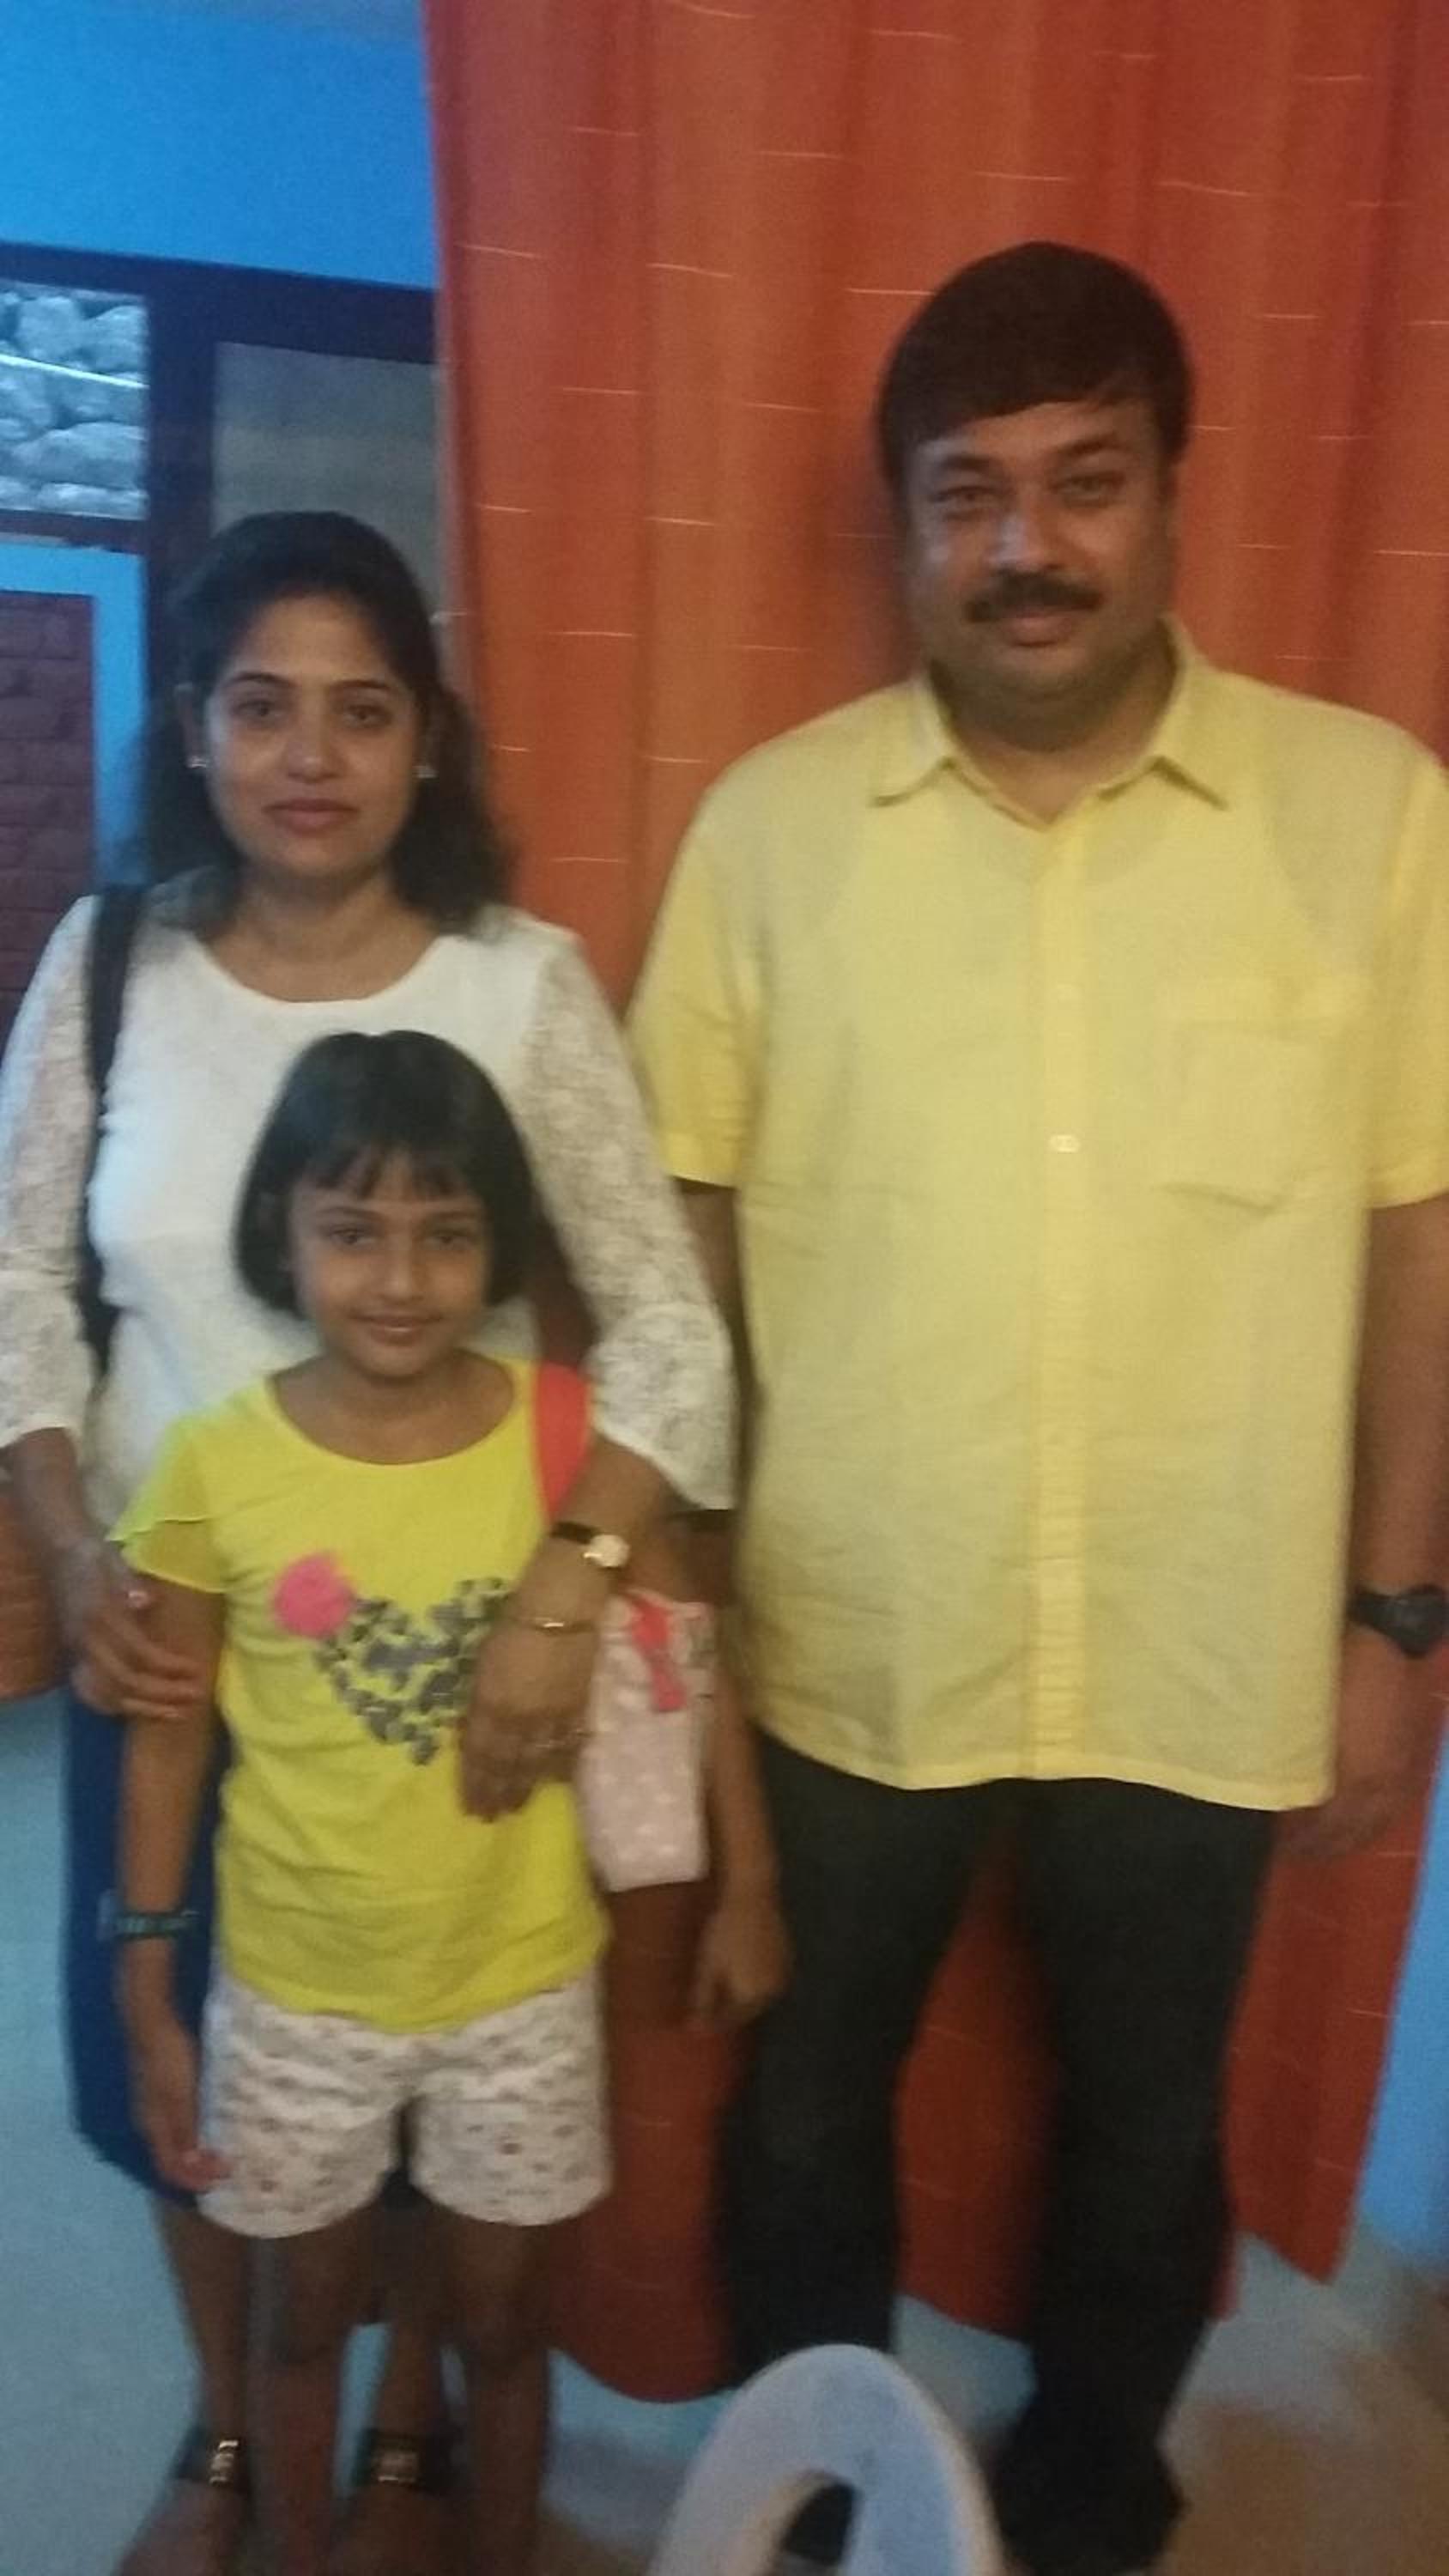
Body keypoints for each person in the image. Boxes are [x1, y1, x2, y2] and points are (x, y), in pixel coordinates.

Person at [628, 241, 1449, 2576]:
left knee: (1148, 2123)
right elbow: (675, 1244)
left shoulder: (1370, 817)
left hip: (1203, 1629)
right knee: (809, 2104)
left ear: (1175, 492)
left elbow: (1418, 1238)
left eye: (1084, 481)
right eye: (965, 493)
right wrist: (668, 1608)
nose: (1025, 546)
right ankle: (817, 2500)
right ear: (903, 526)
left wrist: (1395, 1617)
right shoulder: (774, 833)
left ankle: (1086, 2500)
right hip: (849, 1624)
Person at [0, 511, 731, 2576]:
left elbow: (671, 1331)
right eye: (261, 708)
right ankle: (237, 2427)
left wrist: (566, 1592)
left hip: (444, 1651)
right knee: (174, 2051)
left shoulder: (519, 985)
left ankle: (407, 2427)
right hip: (168, 1638)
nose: (308, 757)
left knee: (432, 2046)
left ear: (429, 740)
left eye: (362, 709)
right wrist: (70, 1548)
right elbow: (19, 1284)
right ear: (193, 728)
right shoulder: (109, 968)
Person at [111, 1029, 786, 2576]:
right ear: (281, 1229)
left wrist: (750, 1883)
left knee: (501, 2325)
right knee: (300, 2326)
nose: (403, 1280)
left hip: (520, 1989)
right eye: (354, 1232)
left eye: (448, 1233)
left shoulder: (573, 1445)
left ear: (500, 1244)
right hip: (296, 1996)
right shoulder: (210, 1467)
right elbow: (166, 1746)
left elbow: (689, 1661)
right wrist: (146, 1981)